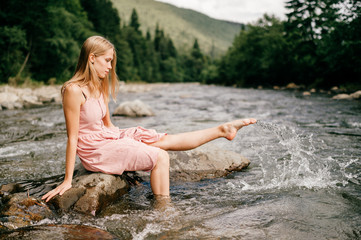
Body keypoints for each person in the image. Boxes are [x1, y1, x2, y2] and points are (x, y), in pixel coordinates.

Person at [42, 36, 257, 203]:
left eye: (111, 61)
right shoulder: (72, 90)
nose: (110, 66)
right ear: (91, 58)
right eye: (107, 60)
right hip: (93, 149)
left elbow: (107, 125)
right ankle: (163, 210)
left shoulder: (99, 84)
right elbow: (73, 138)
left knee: (161, 140)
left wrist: (127, 138)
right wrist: (68, 180)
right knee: (160, 157)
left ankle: (222, 130)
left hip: (107, 137)